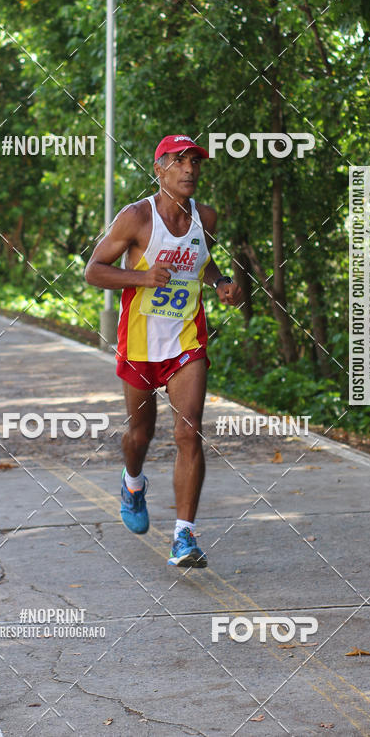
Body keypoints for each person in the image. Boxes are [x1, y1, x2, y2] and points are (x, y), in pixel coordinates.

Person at [85, 135, 241, 567]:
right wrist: (142, 278)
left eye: (195, 162)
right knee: (140, 436)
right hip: (138, 343)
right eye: (179, 162)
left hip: (186, 341)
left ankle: (184, 537)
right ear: (160, 169)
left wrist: (221, 283)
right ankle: (132, 482)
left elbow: (202, 262)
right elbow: (93, 271)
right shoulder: (136, 217)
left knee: (189, 432)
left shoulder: (205, 218)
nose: (190, 169)